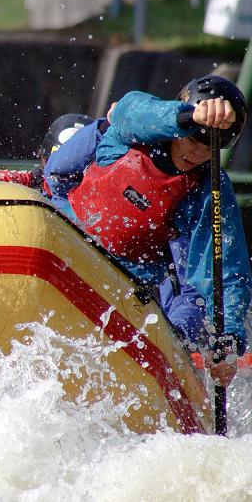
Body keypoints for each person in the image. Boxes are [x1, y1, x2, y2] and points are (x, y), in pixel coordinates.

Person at [44, 75, 250, 387]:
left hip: (125, 282)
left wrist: (229, 338)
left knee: (190, 306)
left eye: (210, 147)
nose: (196, 154)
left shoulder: (207, 189)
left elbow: (226, 273)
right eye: (193, 139)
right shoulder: (130, 134)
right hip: (65, 243)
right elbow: (130, 109)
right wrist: (191, 116)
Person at [0, 113, 95, 197]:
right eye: (57, 164)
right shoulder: (27, 183)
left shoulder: (103, 199)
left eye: (79, 170)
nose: (68, 176)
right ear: (42, 160)